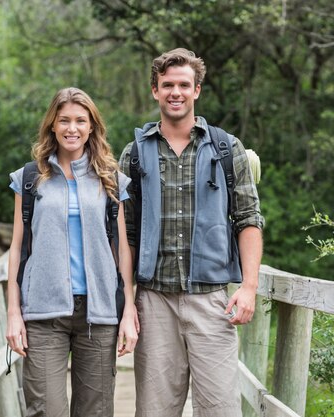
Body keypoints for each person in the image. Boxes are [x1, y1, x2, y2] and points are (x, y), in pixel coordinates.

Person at [118, 48, 264, 417]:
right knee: (154, 411)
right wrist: (127, 302)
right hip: (154, 303)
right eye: (167, 85)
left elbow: (248, 219)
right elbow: (125, 235)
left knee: (220, 409)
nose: (175, 92)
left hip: (212, 302)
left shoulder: (226, 148)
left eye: (184, 84)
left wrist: (248, 287)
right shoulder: (133, 154)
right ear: (155, 90)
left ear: (197, 89)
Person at [6, 87, 139, 417]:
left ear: (92, 126)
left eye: (81, 120)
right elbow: (17, 247)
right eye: (64, 120)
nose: (72, 128)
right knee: (45, 410)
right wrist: (12, 311)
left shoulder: (110, 180)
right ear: (52, 124)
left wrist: (128, 310)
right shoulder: (30, 178)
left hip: (99, 314)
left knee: (96, 412)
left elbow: (121, 249)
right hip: (43, 314)